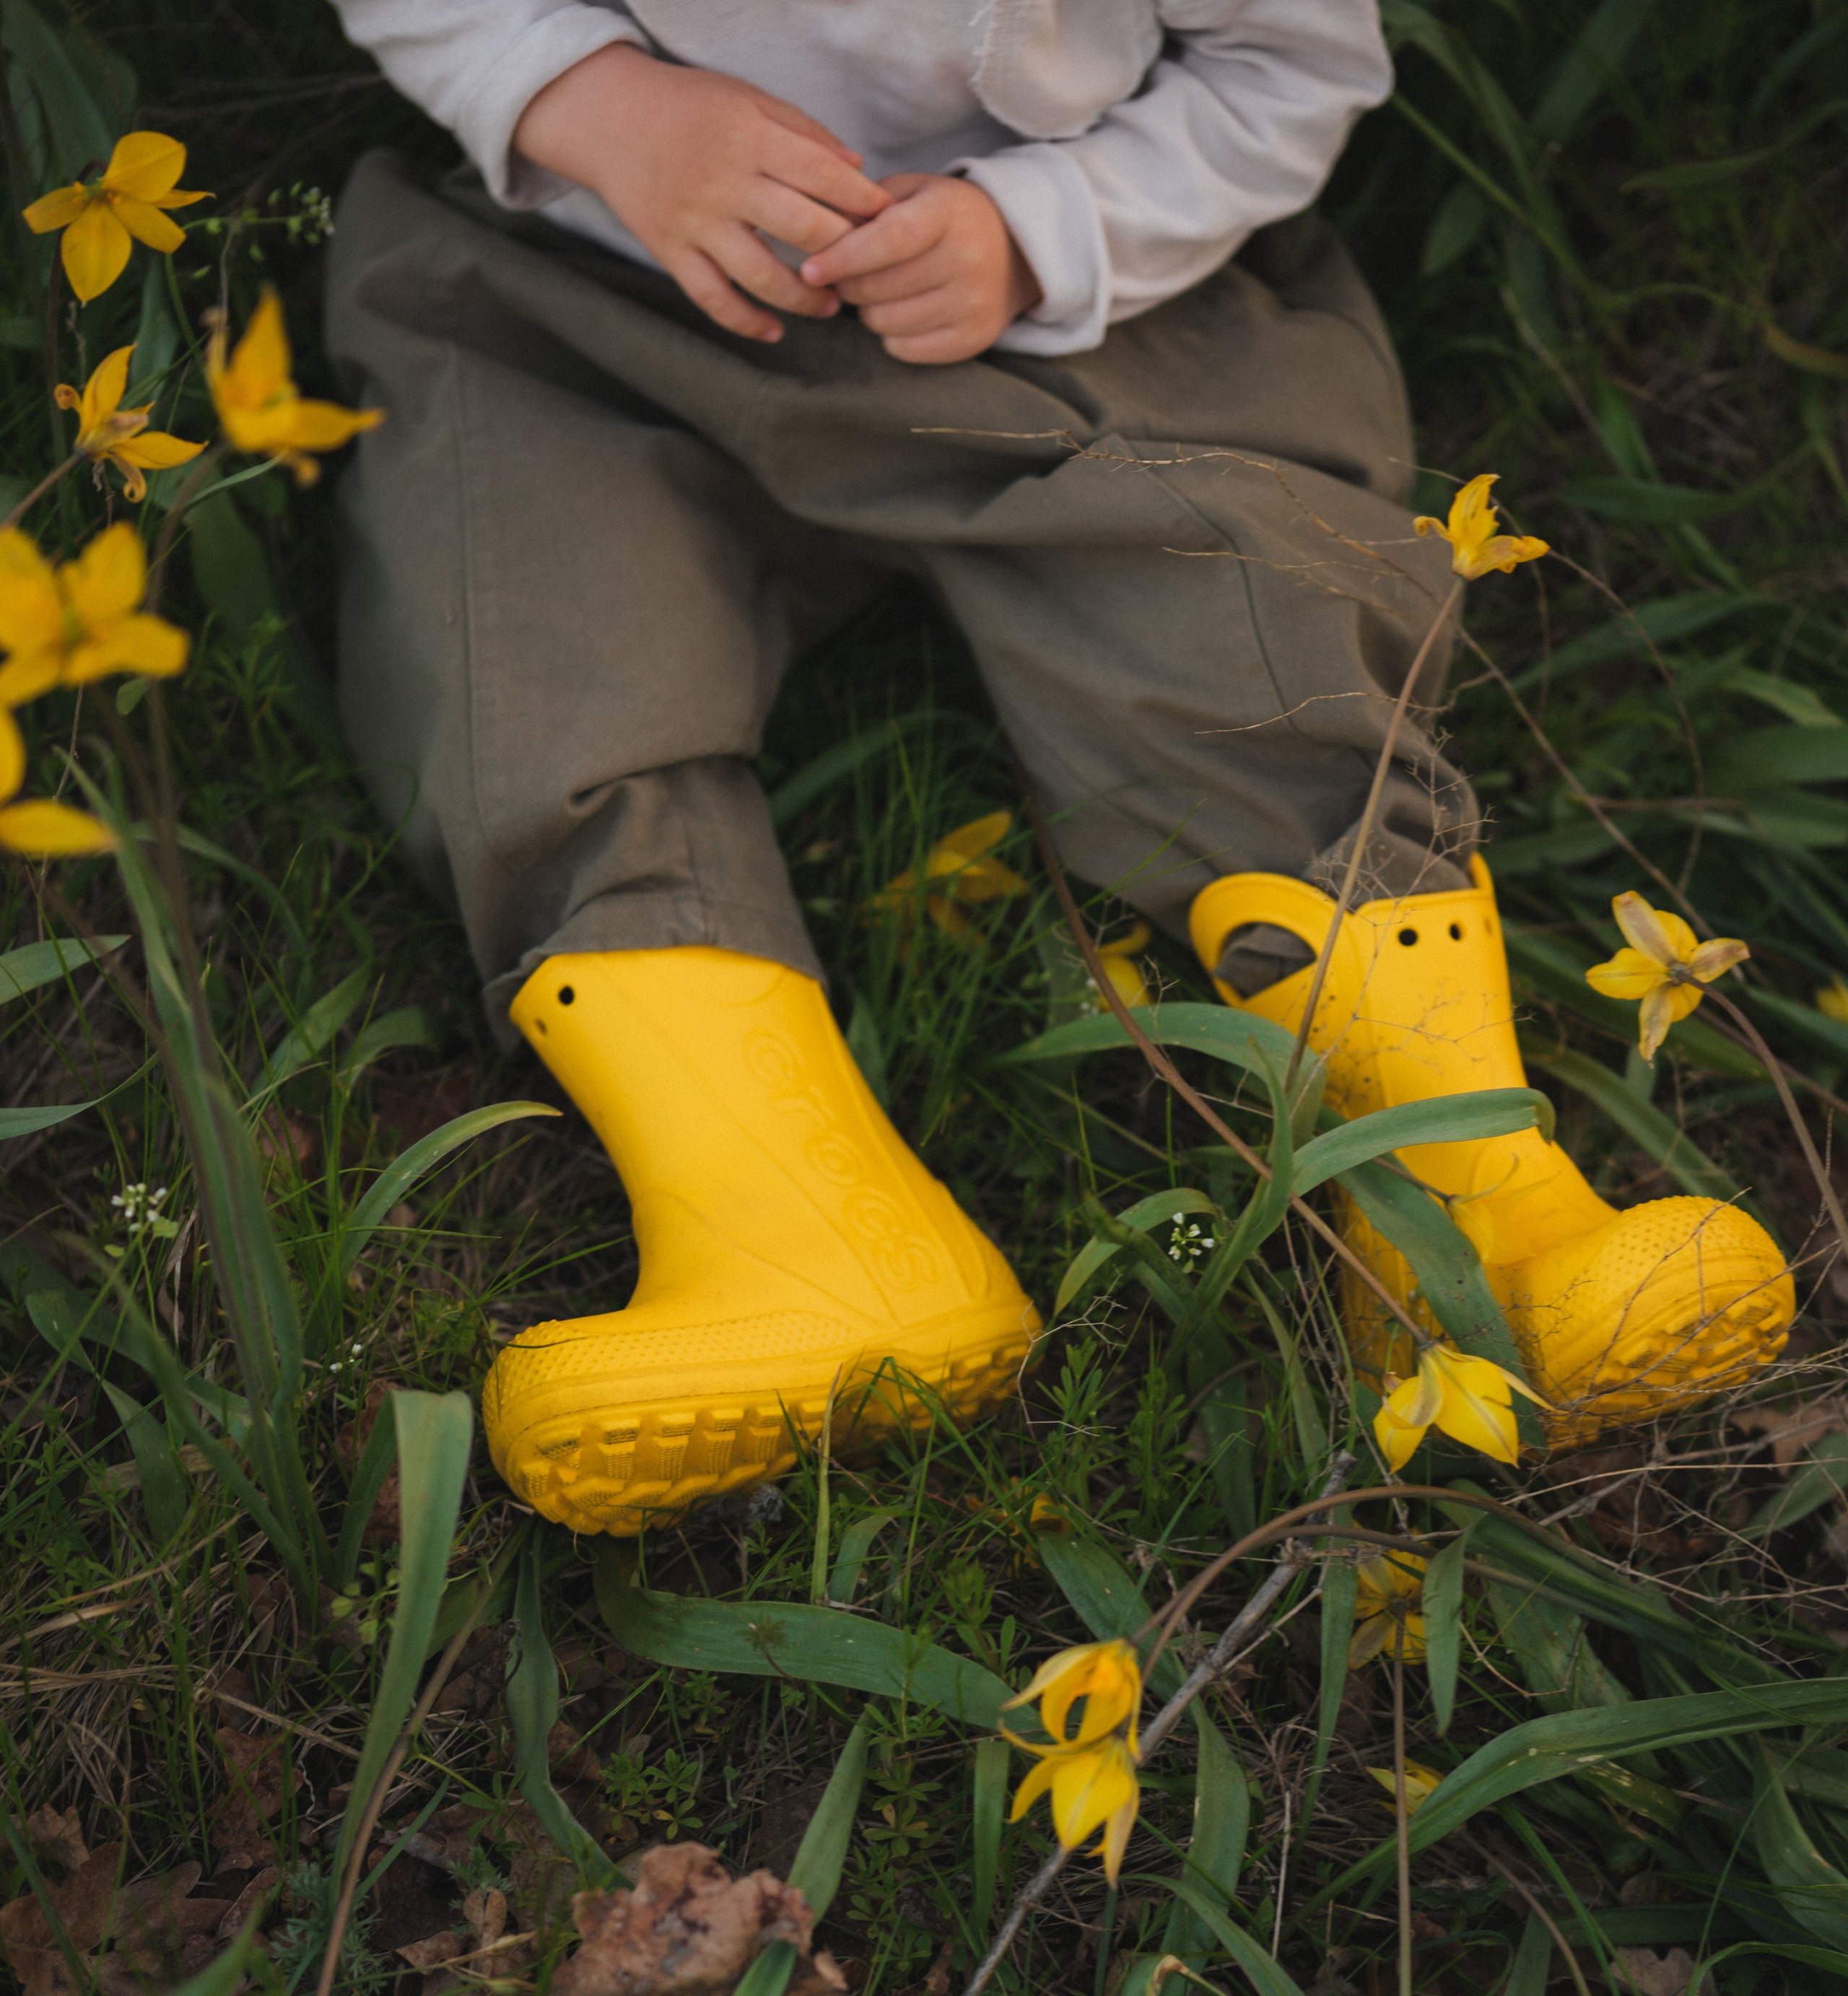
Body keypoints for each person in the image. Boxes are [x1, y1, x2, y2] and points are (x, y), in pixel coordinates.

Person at [323, 0, 1792, 1535]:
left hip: (1089, 297)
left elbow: (1292, 63)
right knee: (523, 635)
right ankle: (798, 1231)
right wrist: (597, 103)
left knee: (1237, 602)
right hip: (589, 289)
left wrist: (1038, 231)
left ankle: (1467, 1211)